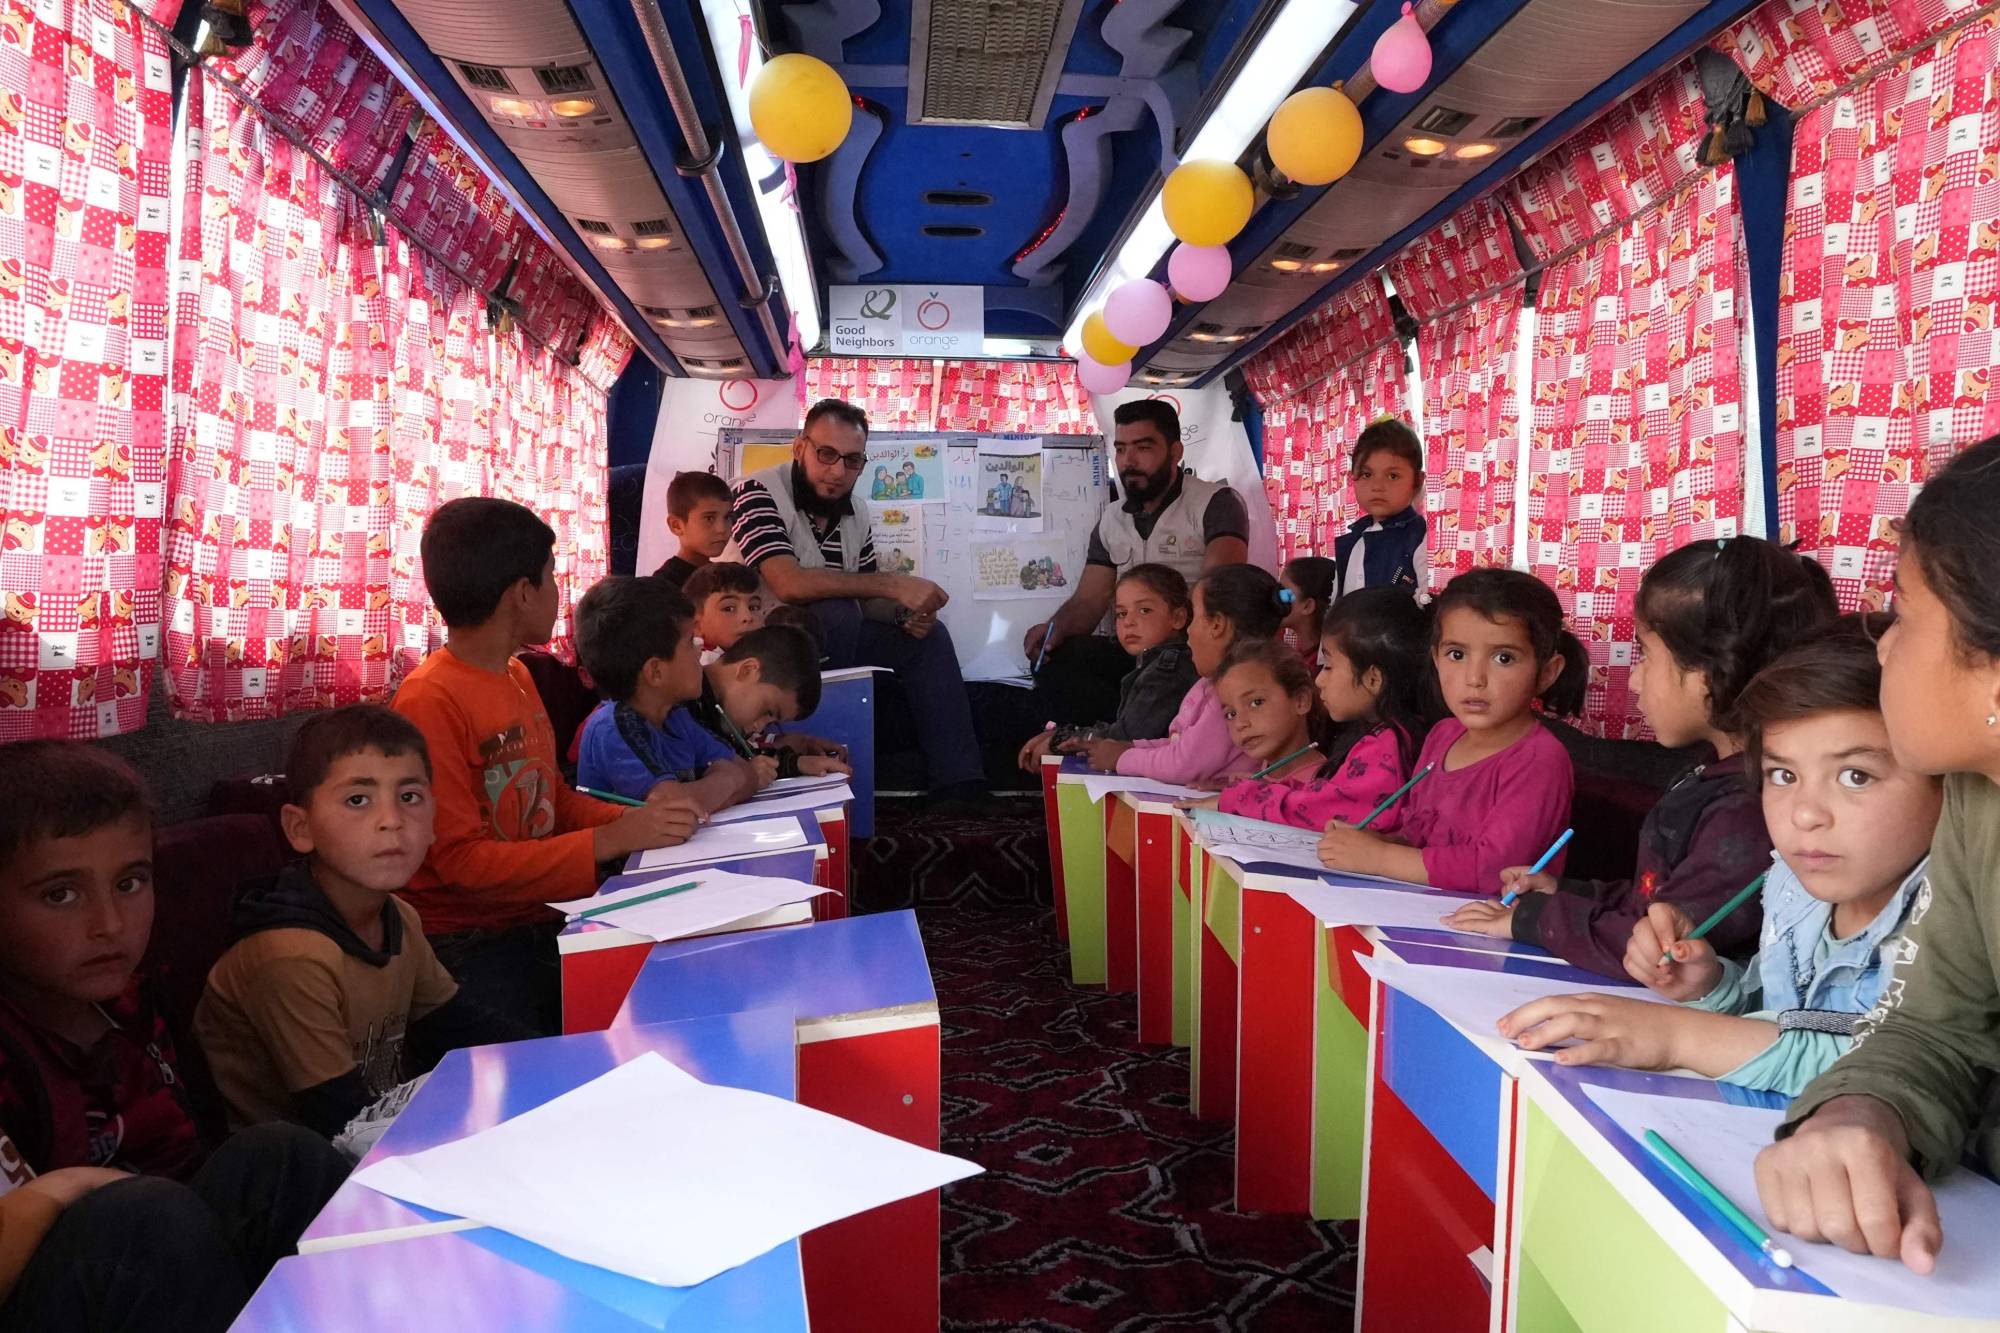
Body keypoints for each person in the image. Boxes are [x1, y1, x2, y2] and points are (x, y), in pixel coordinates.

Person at [1494, 615, 1940, 1096]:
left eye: (1856, 776)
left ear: (1951, 783)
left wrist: (1679, 1037)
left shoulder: (1949, 922)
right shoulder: (1793, 885)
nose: (1805, 814)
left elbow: (1899, 1067)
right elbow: (1779, 1013)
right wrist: (1711, 988)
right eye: (1784, 776)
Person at [1753, 437, 2000, 1273]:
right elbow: (1935, 1026)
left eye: (1904, 612)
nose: (1883, 645)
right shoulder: (1978, 796)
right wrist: (1859, 1110)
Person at [0, 742, 349, 1333]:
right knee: (146, 1216)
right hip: (79, 1275)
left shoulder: (138, 1005)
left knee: (282, 1154)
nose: (110, 924)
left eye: (130, 882)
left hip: (173, 1260)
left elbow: (201, 1140)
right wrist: (69, 1194)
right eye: (61, 894)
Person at [1443, 536, 1838, 969]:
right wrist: (1566, 892)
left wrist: (1534, 920)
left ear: (1711, 671)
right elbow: (1654, 897)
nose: (1633, 680)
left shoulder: (1749, 809)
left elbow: (1662, 943)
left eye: (1646, 656)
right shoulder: (1709, 774)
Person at [393, 498, 703, 1033]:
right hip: (469, 942)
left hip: (540, 911)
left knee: (670, 986)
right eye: (552, 576)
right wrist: (609, 840)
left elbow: (550, 798)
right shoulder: (429, 699)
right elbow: (462, 863)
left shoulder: (517, 675)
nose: (559, 592)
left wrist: (634, 822)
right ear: (522, 593)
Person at [195, 707, 528, 1138]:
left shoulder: (400, 917)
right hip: (311, 1163)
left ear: (435, 820)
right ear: (300, 828)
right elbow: (340, 1119)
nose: (392, 820)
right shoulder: (291, 956)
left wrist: (569, 1061)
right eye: (358, 800)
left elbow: (459, 1025)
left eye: (410, 797)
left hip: (379, 1125)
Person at [725, 399, 982, 798]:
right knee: (837, 613)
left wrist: (903, 615)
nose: (837, 471)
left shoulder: (856, 512)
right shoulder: (755, 492)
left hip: (832, 637)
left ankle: (959, 784)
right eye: (826, 454)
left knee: (928, 638)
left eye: (852, 461)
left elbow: (864, 594)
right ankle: (825, 776)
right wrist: (893, 585)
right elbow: (788, 583)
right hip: (759, 641)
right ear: (800, 447)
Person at [1317, 569, 1579, 892]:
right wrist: (1380, 842)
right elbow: (1420, 838)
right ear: (1436, 660)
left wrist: (1381, 857)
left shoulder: (1538, 760)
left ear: (1547, 673)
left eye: (1504, 658)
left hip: (1489, 921)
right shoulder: (1443, 736)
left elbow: (1494, 871)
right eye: (1457, 655)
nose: (1474, 678)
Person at [1025, 399, 1251, 725]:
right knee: (1059, 661)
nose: (1128, 461)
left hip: (1190, 653)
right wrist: (1053, 630)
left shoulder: (1215, 503)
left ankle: (1123, 741)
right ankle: (1094, 745)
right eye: (1120, 449)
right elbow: (1089, 600)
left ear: (1175, 452)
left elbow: (1220, 593)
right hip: (1134, 656)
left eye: (1143, 448)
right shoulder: (1111, 520)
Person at [1197, 587, 1434, 831]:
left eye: (1329, 666)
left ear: (1373, 679)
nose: (1319, 680)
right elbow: (1324, 797)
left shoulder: (1389, 744)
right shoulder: (1387, 736)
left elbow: (1319, 809)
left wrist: (1241, 800)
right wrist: (1259, 791)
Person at [1069, 565, 1283, 785]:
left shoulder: (1230, 694)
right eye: (1121, 614)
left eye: (1195, 618)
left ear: (1217, 625)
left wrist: (1122, 758)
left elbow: (1183, 764)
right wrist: (1132, 747)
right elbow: (1178, 744)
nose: (1188, 631)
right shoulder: (1209, 684)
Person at [572, 576, 766, 810]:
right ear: (655, 672)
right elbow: (672, 804)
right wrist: (728, 779)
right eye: (689, 642)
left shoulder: (675, 716)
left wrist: (723, 783)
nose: (699, 651)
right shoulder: (612, 727)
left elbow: (746, 772)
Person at [1017, 564, 1196, 771]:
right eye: (1121, 614)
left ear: (1178, 618)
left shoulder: (1168, 671)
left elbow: (1126, 739)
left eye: (1144, 610)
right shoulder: (1153, 666)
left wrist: (1061, 741)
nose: (1128, 622)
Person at [689, 625, 853, 781]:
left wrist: (796, 763)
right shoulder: (685, 704)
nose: (758, 728)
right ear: (748, 670)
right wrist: (744, 777)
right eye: (767, 711)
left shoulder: (713, 712)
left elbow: (742, 758)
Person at [1212, 640, 1337, 783]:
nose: (1240, 724)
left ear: (1301, 701)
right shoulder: (1262, 776)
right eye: (1231, 714)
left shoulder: (1323, 786)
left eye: (1256, 702)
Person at [1333, 418, 1428, 599]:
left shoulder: (1421, 538)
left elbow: (1430, 602)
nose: (1377, 486)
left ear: (1417, 481)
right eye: (1366, 474)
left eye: (1392, 476)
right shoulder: (1351, 540)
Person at [654, 471, 734, 588]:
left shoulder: (728, 575)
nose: (722, 529)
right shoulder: (663, 587)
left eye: (727, 517)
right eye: (709, 518)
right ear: (676, 525)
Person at [682, 561, 765, 656]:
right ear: (697, 626)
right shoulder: (697, 662)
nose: (747, 617)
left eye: (753, 607)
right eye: (729, 608)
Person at [1278, 555, 1338, 670]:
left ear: (1307, 606)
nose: (1276, 599)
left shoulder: (1321, 666)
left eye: (1284, 593)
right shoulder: (1299, 655)